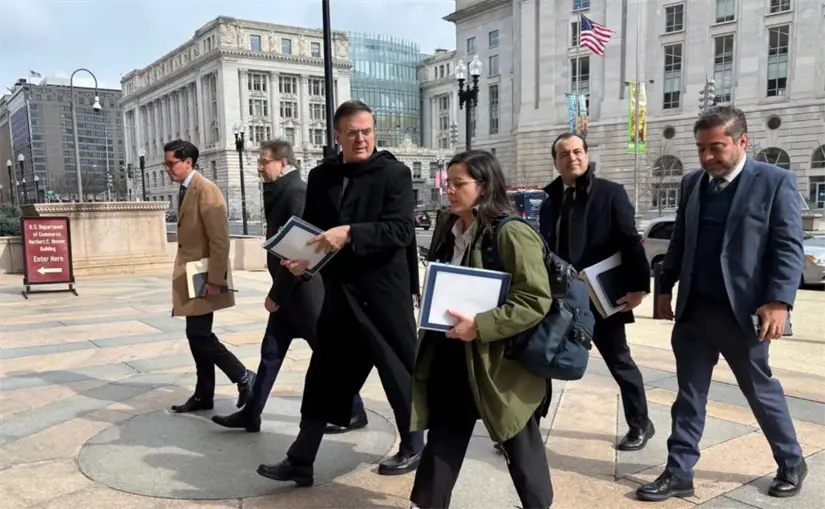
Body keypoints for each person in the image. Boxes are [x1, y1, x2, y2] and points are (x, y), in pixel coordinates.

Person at [636, 106, 808, 501]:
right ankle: (679, 472)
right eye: (701, 148)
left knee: (760, 392)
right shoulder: (693, 183)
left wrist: (779, 301)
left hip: (743, 314)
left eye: (717, 147)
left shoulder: (775, 182)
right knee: (689, 397)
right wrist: (664, 287)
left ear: (742, 141)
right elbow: (680, 239)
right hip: (695, 310)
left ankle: (792, 461)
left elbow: (788, 247)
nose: (707, 157)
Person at [256, 100, 425, 486]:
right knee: (323, 378)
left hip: (384, 296)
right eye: (352, 133)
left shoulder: (395, 174)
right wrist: (302, 261)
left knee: (397, 373)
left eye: (366, 131)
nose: (361, 138)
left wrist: (349, 233)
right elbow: (312, 232)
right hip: (340, 297)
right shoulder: (322, 177)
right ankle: (301, 459)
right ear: (338, 136)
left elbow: (400, 232)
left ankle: (414, 443)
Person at [408, 150, 553, 509]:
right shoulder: (449, 226)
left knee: (518, 438)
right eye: (449, 183)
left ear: (484, 187)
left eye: (460, 184)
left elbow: (536, 298)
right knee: (444, 435)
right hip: (451, 353)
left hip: (499, 363)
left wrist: (481, 326)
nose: (450, 191)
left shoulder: (511, 233)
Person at [210, 140, 366, 432]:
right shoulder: (281, 190)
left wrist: (276, 294)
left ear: (282, 162)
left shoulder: (296, 192)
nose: (259, 167)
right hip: (288, 293)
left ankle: (355, 410)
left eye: (264, 161)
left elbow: (297, 250)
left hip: (303, 292)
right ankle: (251, 414)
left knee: (328, 355)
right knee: (270, 353)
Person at [538, 133, 653, 450]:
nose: (572, 157)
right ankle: (529, 425)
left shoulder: (610, 194)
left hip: (603, 298)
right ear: (556, 161)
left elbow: (631, 241)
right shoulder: (550, 204)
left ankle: (640, 424)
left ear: (586, 156)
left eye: (577, 151)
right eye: (564, 153)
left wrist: (638, 288)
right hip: (560, 299)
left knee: (619, 360)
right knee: (540, 357)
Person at [165, 139, 254, 414]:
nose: (167, 169)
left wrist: (216, 280)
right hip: (192, 276)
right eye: (165, 164)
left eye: (171, 163)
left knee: (199, 334)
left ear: (188, 162)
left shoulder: (206, 189)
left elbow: (220, 240)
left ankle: (243, 376)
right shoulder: (185, 189)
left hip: (204, 277)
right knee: (196, 336)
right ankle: (204, 395)